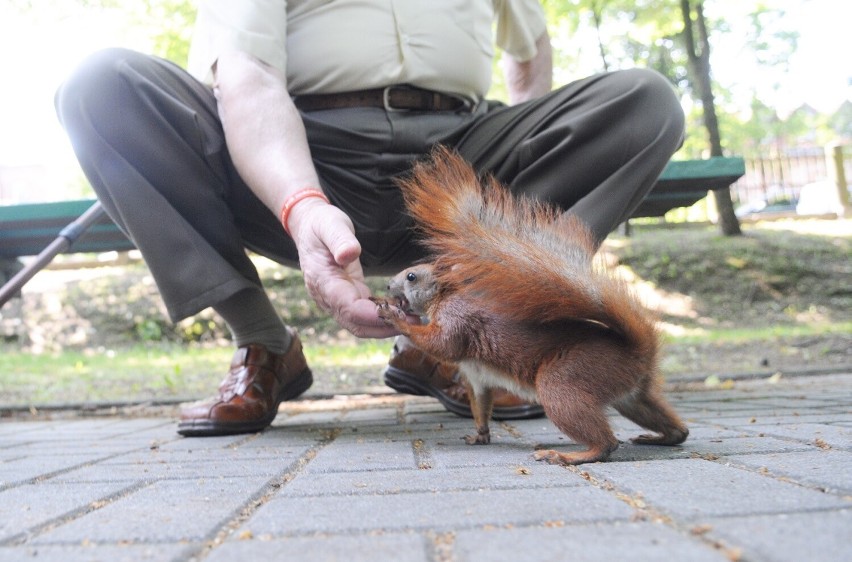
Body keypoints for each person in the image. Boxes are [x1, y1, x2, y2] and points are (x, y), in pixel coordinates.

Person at [55, 0, 684, 437]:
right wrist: (302, 205)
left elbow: (531, 56)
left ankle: (466, 339)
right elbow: (246, 78)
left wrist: (509, 223)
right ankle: (263, 344)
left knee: (642, 101)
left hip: (460, 156)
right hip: (296, 149)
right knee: (100, 84)